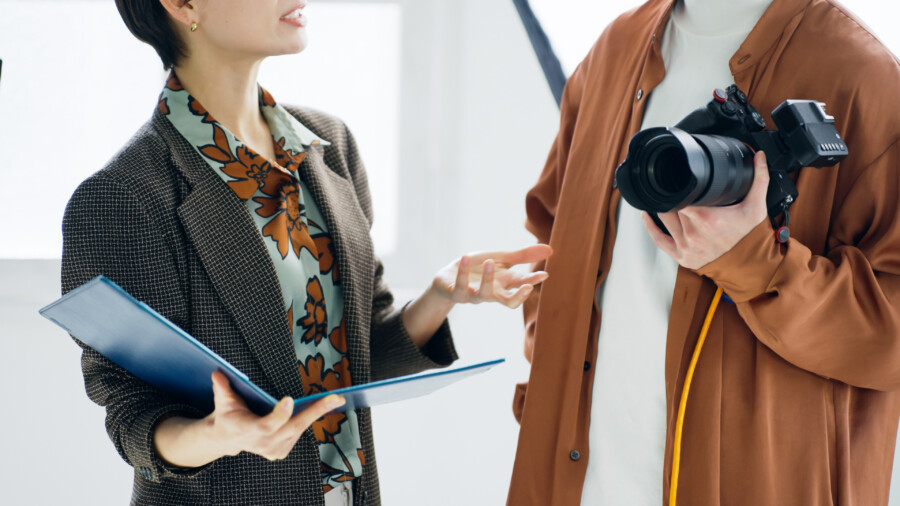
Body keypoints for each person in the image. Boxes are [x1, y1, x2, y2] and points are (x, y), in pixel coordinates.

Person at [60, 1, 551, 505]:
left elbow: (354, 364)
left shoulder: (329, 146)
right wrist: (217, 434)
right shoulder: (123, 196)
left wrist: (441, 295)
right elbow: (130, 411)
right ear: (184, 5)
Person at [509, 0, 900, 504]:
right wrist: (552, 375)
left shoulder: (859, 75)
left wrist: (758, 263)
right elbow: (551, 233)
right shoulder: (614, 51)